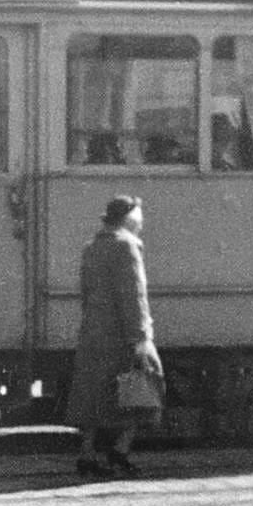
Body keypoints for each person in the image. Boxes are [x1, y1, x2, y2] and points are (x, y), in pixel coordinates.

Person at [67, 194, 163, 477]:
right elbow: (134, 295)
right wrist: (141, 338)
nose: (142, 222)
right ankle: (119, 451)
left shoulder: (92, 247)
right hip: (123, 336)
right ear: (129, 217)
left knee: (93, 397)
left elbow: (86, 293)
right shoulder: (128, 246)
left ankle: (87, 455)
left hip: (94, 333)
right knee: (145, 388)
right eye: (139, 216)